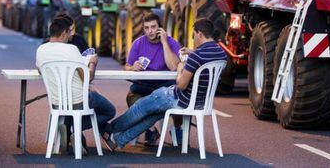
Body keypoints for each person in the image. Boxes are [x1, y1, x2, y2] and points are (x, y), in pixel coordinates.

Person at [102, 18, 227, 150]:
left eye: (194, 35)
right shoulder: (220, 54)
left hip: (178, 99)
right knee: (151, 117)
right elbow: (203, 58)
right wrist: (192, 52)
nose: (193, 38)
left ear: (200, 34)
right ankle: (117, 140)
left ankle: (108, 129)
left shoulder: (195, 57)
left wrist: (180, 68)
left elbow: (181, 85)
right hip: (201, 102)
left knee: (140, 107)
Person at [36, 15, 115, 154]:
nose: (70, 36)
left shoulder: (41, 50)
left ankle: (68, 127)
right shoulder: (71, 49)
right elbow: (87, 78)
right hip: (79, 100)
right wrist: (92, 64)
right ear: (64, 33)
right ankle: (75, 127)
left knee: (87, 100)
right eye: (69, 32)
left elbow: (41, 71)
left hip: (56, 102)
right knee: (109, 111)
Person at [124, 12, 181, 146]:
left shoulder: (171, 42)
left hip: (166, 86)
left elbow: (174, 67)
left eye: (153, 27)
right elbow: (126, 66)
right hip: (144, 84)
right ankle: (150, 129)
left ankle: (178, 130)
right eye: (147, 28)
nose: (150, 31)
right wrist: (132, 67)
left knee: (181, 98)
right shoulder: (138, 43)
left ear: (160, 27)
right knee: (131, 96)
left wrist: (164, 42)